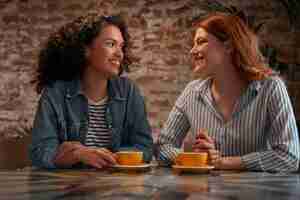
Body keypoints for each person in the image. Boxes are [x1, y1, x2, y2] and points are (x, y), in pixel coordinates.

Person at [157, 12, 299, 172]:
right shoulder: (192, 92)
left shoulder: (271, 88)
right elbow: (163, 148)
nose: (192, 51)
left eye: (201, 42)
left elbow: (289, 156)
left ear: (228, 46)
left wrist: (223, 162)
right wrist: (197, 159)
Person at [30, 13, 153, 169]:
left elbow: (145, 147)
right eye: (111, 44)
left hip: (117, 187)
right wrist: (77, 154)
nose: (119, 54)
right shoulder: (55, 93)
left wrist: (108, 157)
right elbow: (40, 152)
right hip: (68, 189)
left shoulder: (129, 92)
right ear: (86, 50)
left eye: (121, 46)